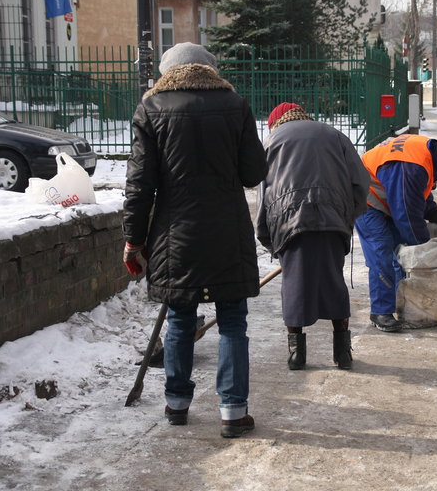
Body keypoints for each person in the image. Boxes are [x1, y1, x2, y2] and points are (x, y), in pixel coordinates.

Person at [122, 42, 267, 438]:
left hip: (175, 235)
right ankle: (233, 411)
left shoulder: (150, 109)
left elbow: (139, 185)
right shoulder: (235, 106)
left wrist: (133, 240)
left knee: (181, 318)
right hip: (226, 231)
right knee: (233, 322)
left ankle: (177, 403)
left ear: (167, 72)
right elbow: (253, 173)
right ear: (210, 70)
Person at [255, 103, 370, 370]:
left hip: (288, 221)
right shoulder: (335, 135)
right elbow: (360, 181)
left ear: (275, 122)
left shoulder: (272, 141)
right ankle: (342, 353)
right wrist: (347, 216)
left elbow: (263, 192)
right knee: (333, 281)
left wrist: (267, 236)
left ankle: (297, 354)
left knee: (294, 284)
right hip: (333, 218)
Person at [355, 133, 437, 333]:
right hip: (365, 197)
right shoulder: (412, 166)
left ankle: (402, 306)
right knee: (382, 252)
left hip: (385, 196)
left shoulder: (427, 156)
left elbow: (417, 194)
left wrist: (435, 215)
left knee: (400, 253)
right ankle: (380, 312)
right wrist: (423, 248)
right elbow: (406, 214)